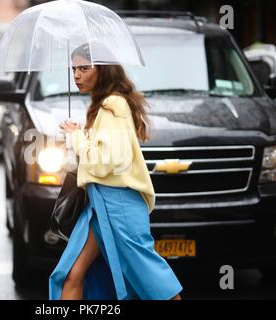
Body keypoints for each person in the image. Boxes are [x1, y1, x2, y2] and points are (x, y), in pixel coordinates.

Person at [49, 43, 183, 300]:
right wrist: (80, 134)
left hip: (119, 203)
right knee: (72, 274)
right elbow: (104, 157)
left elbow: (104, 163)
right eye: (73, 69)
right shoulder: (105, 106)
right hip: (99, 204)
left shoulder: (113, 105)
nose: (76, 75)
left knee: (151, 279)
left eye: (84, 68)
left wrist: (77, 136)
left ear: (103, 69)